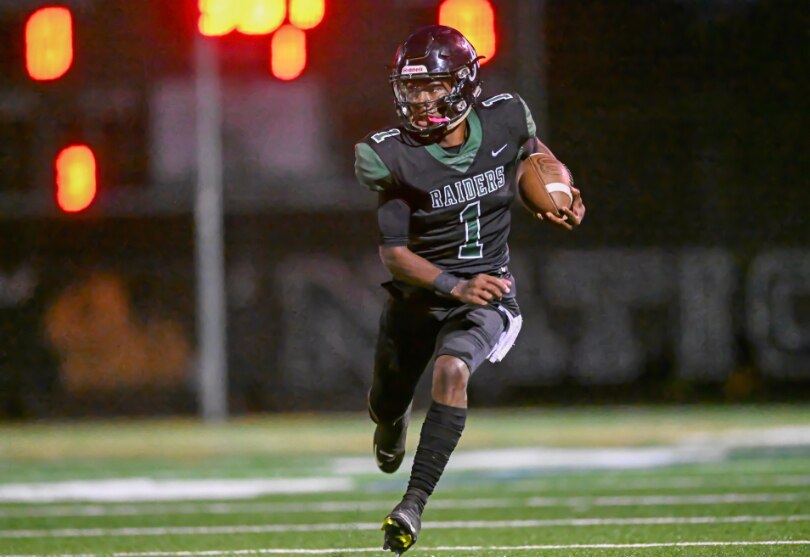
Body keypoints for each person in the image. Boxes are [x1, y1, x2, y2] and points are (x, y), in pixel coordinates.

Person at [353, 25, 585, 555]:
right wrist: (455, 285)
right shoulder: (392, 156)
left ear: (461, 85)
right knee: (386, 403)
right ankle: (390, 423)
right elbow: (393, 255)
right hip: (421, 295)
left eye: (430, 87)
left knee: (452, 371)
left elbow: (533, 151)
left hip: (489, 293)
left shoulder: (504, 117)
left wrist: (564, 188)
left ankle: (411, 505)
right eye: (410, 88)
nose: (418, 99)